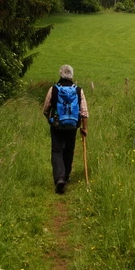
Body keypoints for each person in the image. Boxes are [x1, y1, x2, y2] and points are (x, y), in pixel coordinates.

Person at [42, 65, 89, 194]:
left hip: (57, 125)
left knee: (57, 151)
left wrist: (49, 119)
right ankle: (66, 176)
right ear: (72, 76)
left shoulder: (54, 90)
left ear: (60, 74)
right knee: (69, 150)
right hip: (73, 126)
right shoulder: (79, 91)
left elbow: (46, 108)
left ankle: (59, 178)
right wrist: (84, 128)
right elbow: (84, 112)